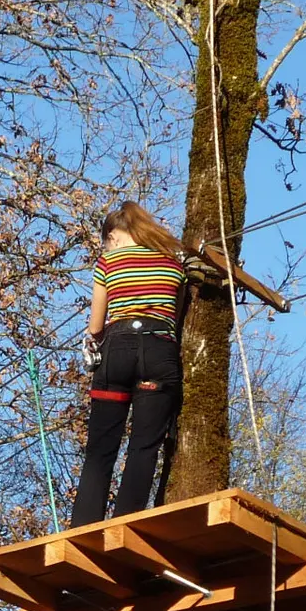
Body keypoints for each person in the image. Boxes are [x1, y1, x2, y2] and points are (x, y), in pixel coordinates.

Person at [71, 202, 186, 527]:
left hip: (117, 352)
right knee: (144, 447)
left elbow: (96, 326)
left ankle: (84, 527)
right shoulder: (171, 262)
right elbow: (174, 317)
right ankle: (126, 524)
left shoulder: (108, 261)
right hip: (159, 352)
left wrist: (94, 342)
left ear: (113, 235)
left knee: (101, 449)